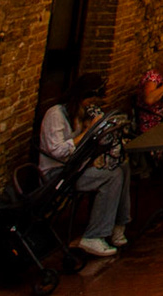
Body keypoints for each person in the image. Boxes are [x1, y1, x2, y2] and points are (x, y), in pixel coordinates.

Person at [39, 72, 129, 256]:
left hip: (77, 168)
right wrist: (87, 132)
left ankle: (118, 224)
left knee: (122, 167)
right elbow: (58, 151)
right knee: (112, 176)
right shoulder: (55, 115)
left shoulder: (81, 114)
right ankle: (94, 235)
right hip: (58, 174)